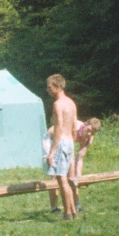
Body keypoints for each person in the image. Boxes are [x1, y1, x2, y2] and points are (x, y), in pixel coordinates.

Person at [46, 74, 79, 220]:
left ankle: (67, 214)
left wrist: (52, 151)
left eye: (49, 87)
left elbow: (58, 126)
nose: (48, 90)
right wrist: (72, 144)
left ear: (57, 86)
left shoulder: (58, 104)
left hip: (61, 142)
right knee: (65, 179)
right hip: (70, 141)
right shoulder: (71, 103)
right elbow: (75, 127)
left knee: (62, 179)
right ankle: (73, 211)